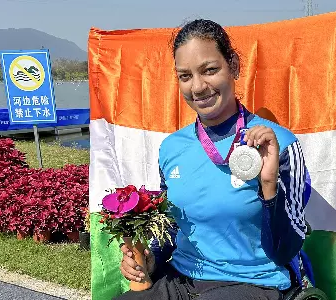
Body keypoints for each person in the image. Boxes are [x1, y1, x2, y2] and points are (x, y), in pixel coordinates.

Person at [115, 18, 310, 300]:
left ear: (234, 66)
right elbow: (172, 226)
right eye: (185, 76)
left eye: (209, 70)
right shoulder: (172, 148)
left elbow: (286, 249)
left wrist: (269, 187)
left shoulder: (281, 145)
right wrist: (151, 260)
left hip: (255, 284)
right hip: (182, 278)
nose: (198, 87)